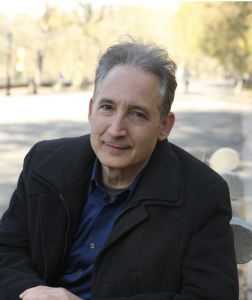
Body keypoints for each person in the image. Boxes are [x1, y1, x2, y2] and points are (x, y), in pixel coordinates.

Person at [0, 37, 238, 300]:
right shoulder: (44, 162)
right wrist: (30, 292)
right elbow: (7, 249)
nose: (115, 130)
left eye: (137, 114)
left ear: (164, 126)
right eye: (107, 107)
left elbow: (213, 295)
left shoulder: (202, 193)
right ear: (92, 111)